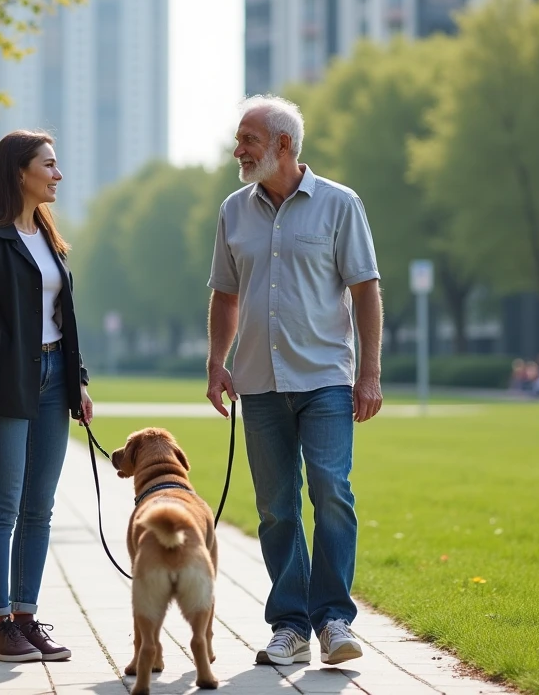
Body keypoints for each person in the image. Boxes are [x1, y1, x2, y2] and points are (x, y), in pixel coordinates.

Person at [205, 95, 383, 668]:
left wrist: (370, 373)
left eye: (248, 140)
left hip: (326, 378)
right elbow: (224, 294)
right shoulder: (233, 210)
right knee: (276, 509)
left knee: (332, 492)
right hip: (257, 382)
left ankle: (333, 619)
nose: (239, 150)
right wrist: (216, 361)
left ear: (283, 145)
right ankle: (289, 626)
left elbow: (366, 289)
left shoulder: (339, 205)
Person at [0, 130, 94, 663]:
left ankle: (26, 618)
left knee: (40, 508)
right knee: (2, 507)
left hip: (56, 376)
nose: (57, 175)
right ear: (19, 172)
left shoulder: (50, 237)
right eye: (49, 165)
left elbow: (64, 316)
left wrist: (78, 379)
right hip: (5, 381)